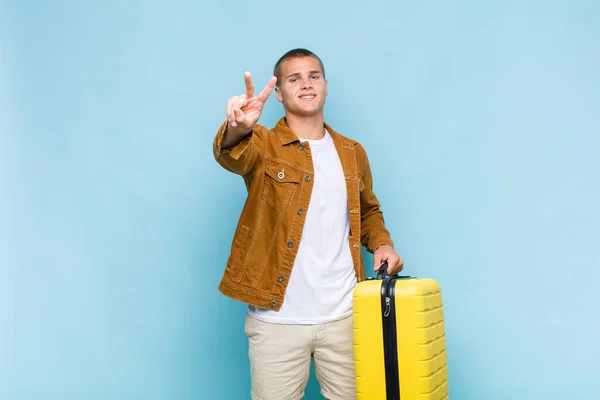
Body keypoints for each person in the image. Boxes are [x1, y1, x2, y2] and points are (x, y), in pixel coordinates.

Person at [212, 48, 404, 400]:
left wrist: (382, 244)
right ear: (281, 94)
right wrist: (236, 130)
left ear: (326, 87)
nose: (306, 84)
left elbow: (367, 212)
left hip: (345, 316)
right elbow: (232, 154)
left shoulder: (351, 151)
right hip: (277, 321)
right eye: (294, 78)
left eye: (313, 76)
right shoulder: (264, 144)